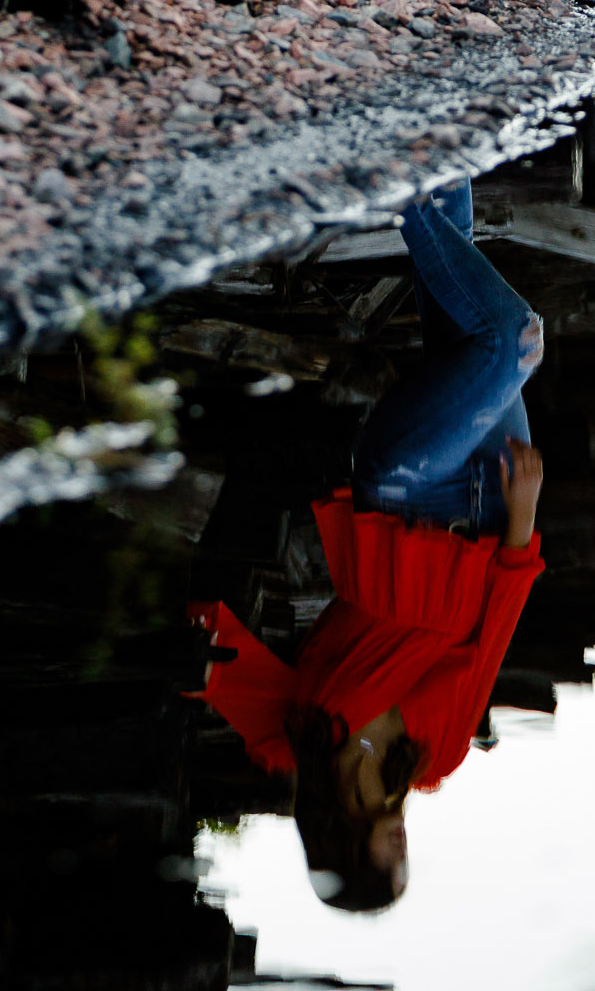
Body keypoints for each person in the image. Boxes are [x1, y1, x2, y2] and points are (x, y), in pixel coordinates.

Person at [188, 182, 545, 912]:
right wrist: (522, 524)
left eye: (388, 862)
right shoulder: (434, 757)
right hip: (486, 506)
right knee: (459, 294)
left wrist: (193, 650)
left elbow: (206, 646)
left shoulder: (293, 745)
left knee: (510, 337)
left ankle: (395, 179)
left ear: (347, 852)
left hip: (404, 491)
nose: (403, 849)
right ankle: (442, 138)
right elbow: (488, 644)